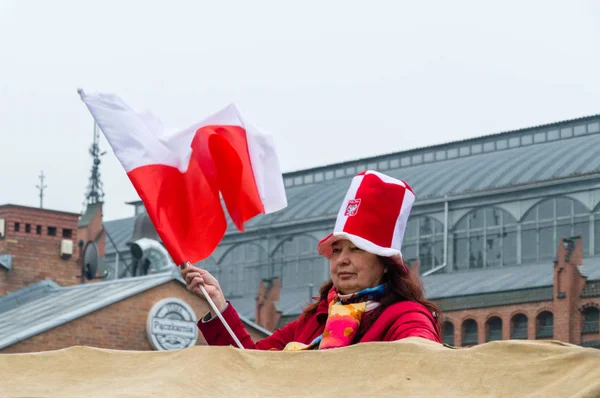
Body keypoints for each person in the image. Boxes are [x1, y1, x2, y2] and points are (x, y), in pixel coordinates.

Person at [182, 170, 441, 350]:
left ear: (385, 262)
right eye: (337, 250)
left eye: (356, 249)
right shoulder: (316, 318)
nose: (342, 260)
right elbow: (251, 365)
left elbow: (422, 371)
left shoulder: (408, 318)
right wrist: (217, 304)